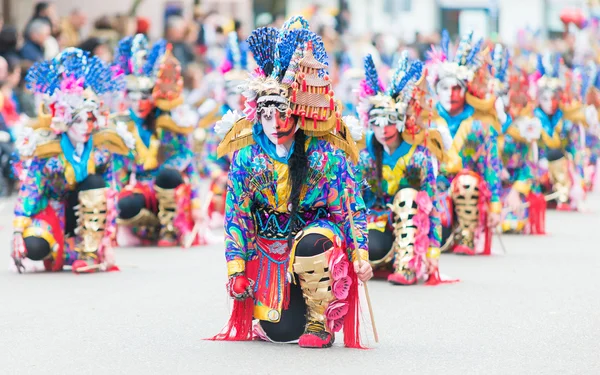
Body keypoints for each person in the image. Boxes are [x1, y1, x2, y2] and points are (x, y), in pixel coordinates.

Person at [211, 16, 372, 349]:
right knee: (281, 332)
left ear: (299, 112)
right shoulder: (246, 157)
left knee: (313, 241)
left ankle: (320, 321)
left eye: (283, 112)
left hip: (315, 248)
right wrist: (236, 267)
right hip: (270, 257)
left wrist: (360, 254)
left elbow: (350, 207)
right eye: (267, 113)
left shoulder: (326, 154)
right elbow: (236, 215)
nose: (275, 122)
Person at [11, 48, 134, 273]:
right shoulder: (48, 147)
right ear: (66, 121)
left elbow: (111, 192)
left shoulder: (101, 150)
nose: (86, 127)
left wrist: (108, 238)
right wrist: (18, 231)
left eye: (90, 120)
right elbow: (31, 187)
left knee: (96, 182)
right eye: (79, 121)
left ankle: (88, 252)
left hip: (89, 218)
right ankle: (59, 248)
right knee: (35, 247)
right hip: (54, 212)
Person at [356, 52, 447, 285]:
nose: (383, 129)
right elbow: (355, 204)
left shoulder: (419, 156)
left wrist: (433, 253)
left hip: (410, 223)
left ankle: (407, 266)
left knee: (408, 197)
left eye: (389, 121)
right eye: (377, 122)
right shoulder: (364, 157)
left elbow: (433, 204)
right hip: (376, 225)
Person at [112, 34, 204, 248]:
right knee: (124, 206)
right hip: (142, 188)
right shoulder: (122, 126)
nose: (138, 103)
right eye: (132, 97)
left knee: (167, 175)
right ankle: (150, 227)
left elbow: (188, 162)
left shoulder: (170, 121)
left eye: (144, 96)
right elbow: (118, 171)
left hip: (170, 186)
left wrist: (197, 202)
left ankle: (170, 227)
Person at [425, 31, 503, 256]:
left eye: (457, 87)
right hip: (435, 189)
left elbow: (491, 165)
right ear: (436, 89)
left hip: (466, 189)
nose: (451, 94)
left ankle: (466, 234)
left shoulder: (479, 122)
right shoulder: (425, 119)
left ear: (466, 89)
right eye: (445, 88)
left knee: (468, 181)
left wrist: (496, 204)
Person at [530, 52, 598, 211]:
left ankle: (563, 194)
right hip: (539, 166)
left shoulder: (567, 120)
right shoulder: (533, 119)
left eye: (554, 98)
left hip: (562, 167)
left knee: (562, 163)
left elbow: (576, 149)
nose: (551, 103)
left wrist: (580, 178)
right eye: (546, 98)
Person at [198, 31, 249, 223]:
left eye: (242, 91)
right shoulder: (216, 121)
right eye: (232, 91)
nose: (238, 97)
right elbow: (207, 159)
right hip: (225, 177)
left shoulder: (262, 119)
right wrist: (218, 174)